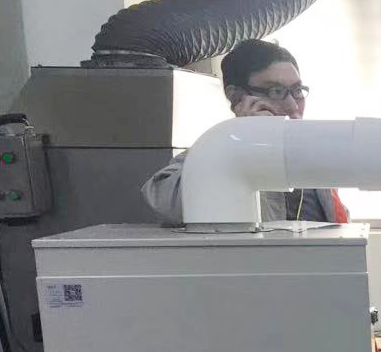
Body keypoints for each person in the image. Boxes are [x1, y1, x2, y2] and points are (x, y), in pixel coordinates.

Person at [141, 39, 349, 225]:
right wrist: (246, 139)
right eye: (276, 91)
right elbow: (162, 200)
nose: (293, 105)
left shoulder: (315, 152)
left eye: (297, 91)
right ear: (237, 97)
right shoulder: (214, 150)